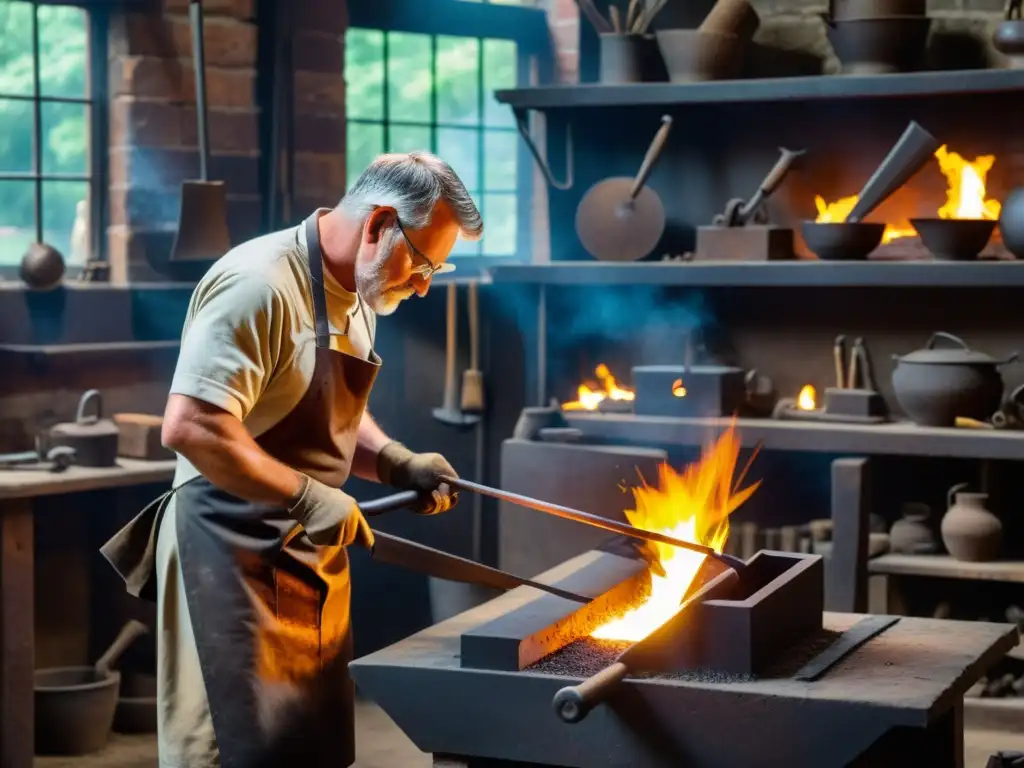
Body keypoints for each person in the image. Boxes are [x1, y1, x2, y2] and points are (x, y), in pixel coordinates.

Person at [101, 151, 484, 768]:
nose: (424, 284)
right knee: (231, 748)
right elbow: (194, 426)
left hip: (303, 553)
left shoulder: (360, 292)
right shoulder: (259, 284)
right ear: (379, 225)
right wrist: (307, 495)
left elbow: (327, 414)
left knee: (307, 746)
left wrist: (392, 460)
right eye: (422, 261)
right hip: (223, 550)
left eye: (439, 267)